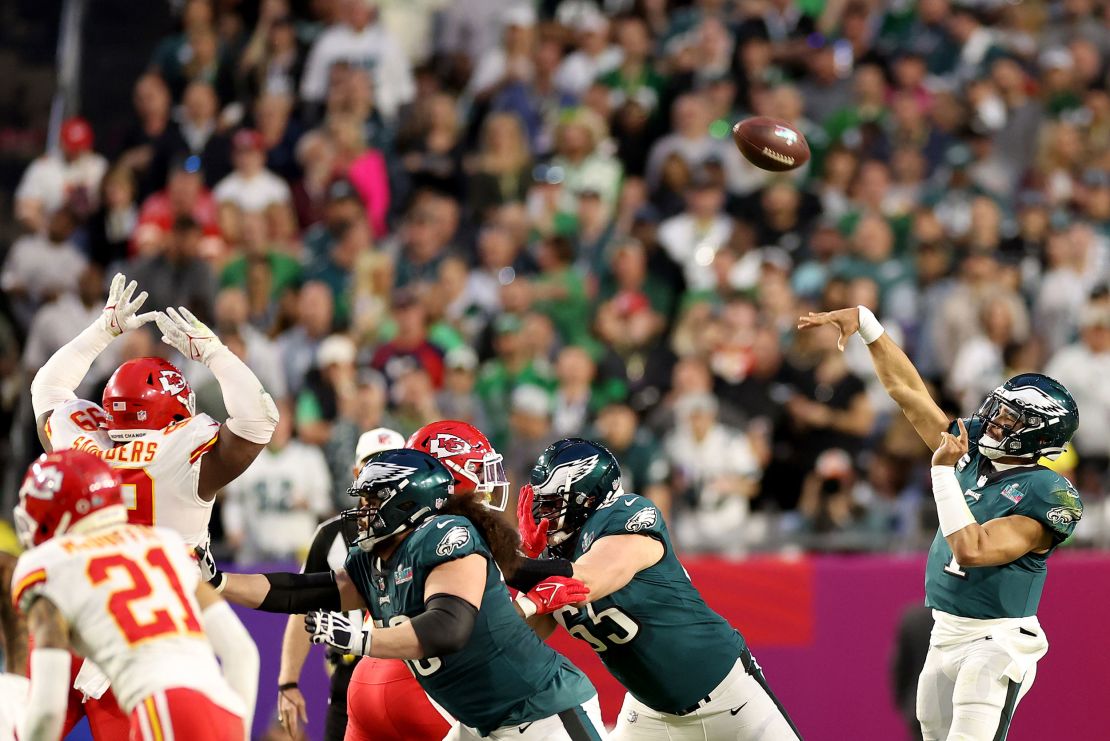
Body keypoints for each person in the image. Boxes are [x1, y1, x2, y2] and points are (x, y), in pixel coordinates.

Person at [798, 305, 1084, 740]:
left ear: (1040, 436)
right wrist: (867, 324)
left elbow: (973, 549)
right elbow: (906, 391)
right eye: (999, 409)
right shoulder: (970, 447)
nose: (996, 420)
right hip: (944, 629)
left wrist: (940, 473)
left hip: (997, 641)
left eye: (1012, 419)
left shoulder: (1049, 492)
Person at [197, 448, 606, 741]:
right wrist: (219, 580)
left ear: (406, 503)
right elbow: (299, 591)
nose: (362, 510)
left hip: (544, 714)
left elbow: (449, 628)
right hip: (484, 723)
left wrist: (360, 638)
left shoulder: (448, 536)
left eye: (373, 500)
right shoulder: (374, 557)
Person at [27, 273, 273, 736]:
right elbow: (259, 419)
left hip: (70, 608)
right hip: (145, 625)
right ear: (178, 409)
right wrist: (214, 353)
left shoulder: (81, 438)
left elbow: (48, 388)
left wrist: (101, 331)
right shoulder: (185, 450)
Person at [517, 438, 802, 740]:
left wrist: (505, 561)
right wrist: (525, 562)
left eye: (550, 505)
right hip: (651, 716)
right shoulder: (552, 560)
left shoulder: (627, 514)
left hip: (731, 701)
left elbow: (587, 580)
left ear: (586, 498)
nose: (539, 517)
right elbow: (517, 634)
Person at [10, 450, 254, 740]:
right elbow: (242, 652)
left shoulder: (48, 563)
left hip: (162, 706)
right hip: (223, 708)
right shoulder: (166, 544)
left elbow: (48, 709)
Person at [276, 427, 406, 741]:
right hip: (350, 674)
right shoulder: (331, 535)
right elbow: (301, 608)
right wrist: (288, 681)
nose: (379, 477)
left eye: (391, 466)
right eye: (373, 465)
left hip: (410, 671)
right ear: (355, 472)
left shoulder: (428, 530)